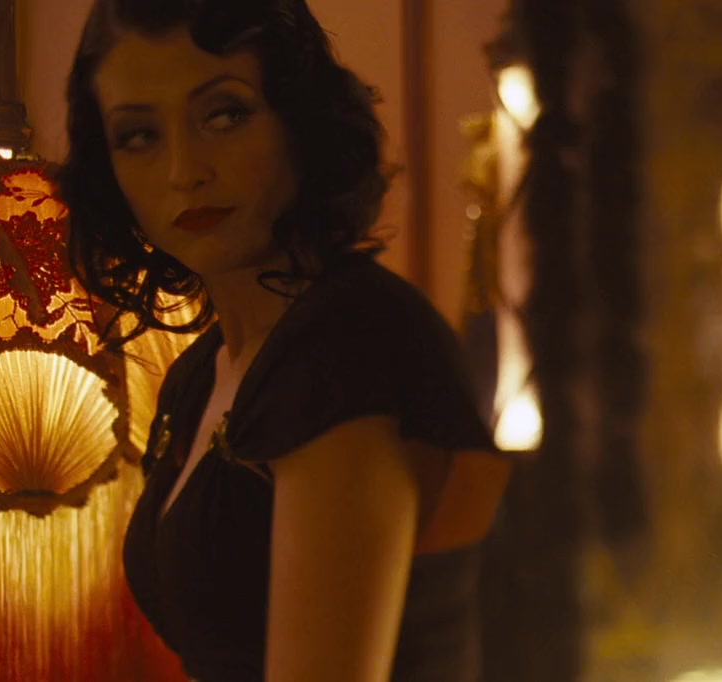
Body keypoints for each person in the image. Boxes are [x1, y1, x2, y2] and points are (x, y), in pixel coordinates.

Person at [57, 1, 511, 679]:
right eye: (140, 136)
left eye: (223, 116)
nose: (185, 170)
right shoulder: (200, 375)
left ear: (299, 120)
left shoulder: (345, 345)